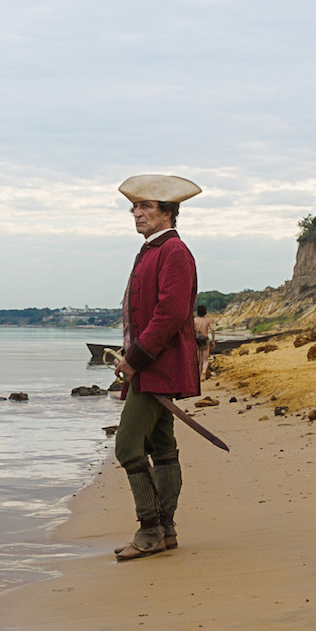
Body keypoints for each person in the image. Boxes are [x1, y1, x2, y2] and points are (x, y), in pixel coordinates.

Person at [111, 173, 201, 561]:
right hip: (150, 366)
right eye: (135, 207)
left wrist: (134, 360)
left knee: (128, 447)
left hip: (157, 367)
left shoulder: (174, 251)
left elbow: (169, 314)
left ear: (168, 212)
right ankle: (165, 531)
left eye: (146, 206)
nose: (137, 213)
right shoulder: (150, 250)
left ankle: (150, 530)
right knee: (161, 445)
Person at [194, 305, 215, 380]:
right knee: (205, 360)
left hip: (197, 340)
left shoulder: (195, 320)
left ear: (197, 312)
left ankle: (199, 377)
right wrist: (213, 340)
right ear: (205, 312)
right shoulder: (208, 320)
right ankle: (204, 371)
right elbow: (212, 329)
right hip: (205, 340)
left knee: (199, 361)